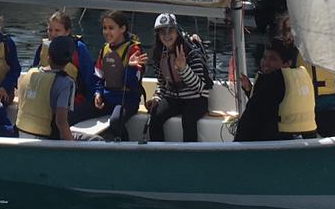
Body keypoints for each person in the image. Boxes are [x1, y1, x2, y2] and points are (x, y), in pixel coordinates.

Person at [272, 13, 335, 139]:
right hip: (300, 104)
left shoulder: (329, 46)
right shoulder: (287, 51)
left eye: (295, 28)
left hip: (327, 103)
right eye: (288, 29)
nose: (292, 33)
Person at [234, 39, 317, 142]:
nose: (266, 63)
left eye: (273, 59)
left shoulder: (272, 79)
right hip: (301, 141)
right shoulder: (300, 77)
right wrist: (249, 90)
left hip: (272, 143)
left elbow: (251, 119)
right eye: (264, 57)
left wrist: (236, 145)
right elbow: (271, 103)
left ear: (287, 63)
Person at [146, 13, 211, 143]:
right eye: (162, 32)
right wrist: (156, 98)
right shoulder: (159, 54)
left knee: (188, 120)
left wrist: (183, 68)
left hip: (196, 99)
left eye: (170, 30)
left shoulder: (191, 51)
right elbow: (162, 83)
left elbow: (199, 86)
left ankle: (189, 153)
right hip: (173, 97)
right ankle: (158, 150)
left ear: (177, 32)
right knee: (155, 116)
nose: (166, 35)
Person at [28, 10, 96, 123]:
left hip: (71, 102)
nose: (52, 34)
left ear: (67, 31)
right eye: (50, 30)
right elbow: (35, 73)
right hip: (45, 100)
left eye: (57, 31)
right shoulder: (42, 48)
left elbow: (90, 80)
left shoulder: (79, 49)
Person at [91, 10, 146, 141]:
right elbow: (98, 76)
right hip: (107, 98)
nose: (107, 32)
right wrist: (98, 93)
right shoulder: (104, 49)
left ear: (122, 29)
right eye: (104, 28)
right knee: (75, 113)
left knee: (115, 121)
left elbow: (133, 83)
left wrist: (131, 67)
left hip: (127, 100)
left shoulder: (134, 50)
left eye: (111, 28)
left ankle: (125, 146)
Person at [17, 35, 79, 141]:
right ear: (70, 59)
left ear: (48, 55)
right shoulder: (66, 82)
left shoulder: (30, 73)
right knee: (96, 140)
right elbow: (61, 121)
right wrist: (72, 145)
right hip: (47, 139)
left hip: (20, 132)